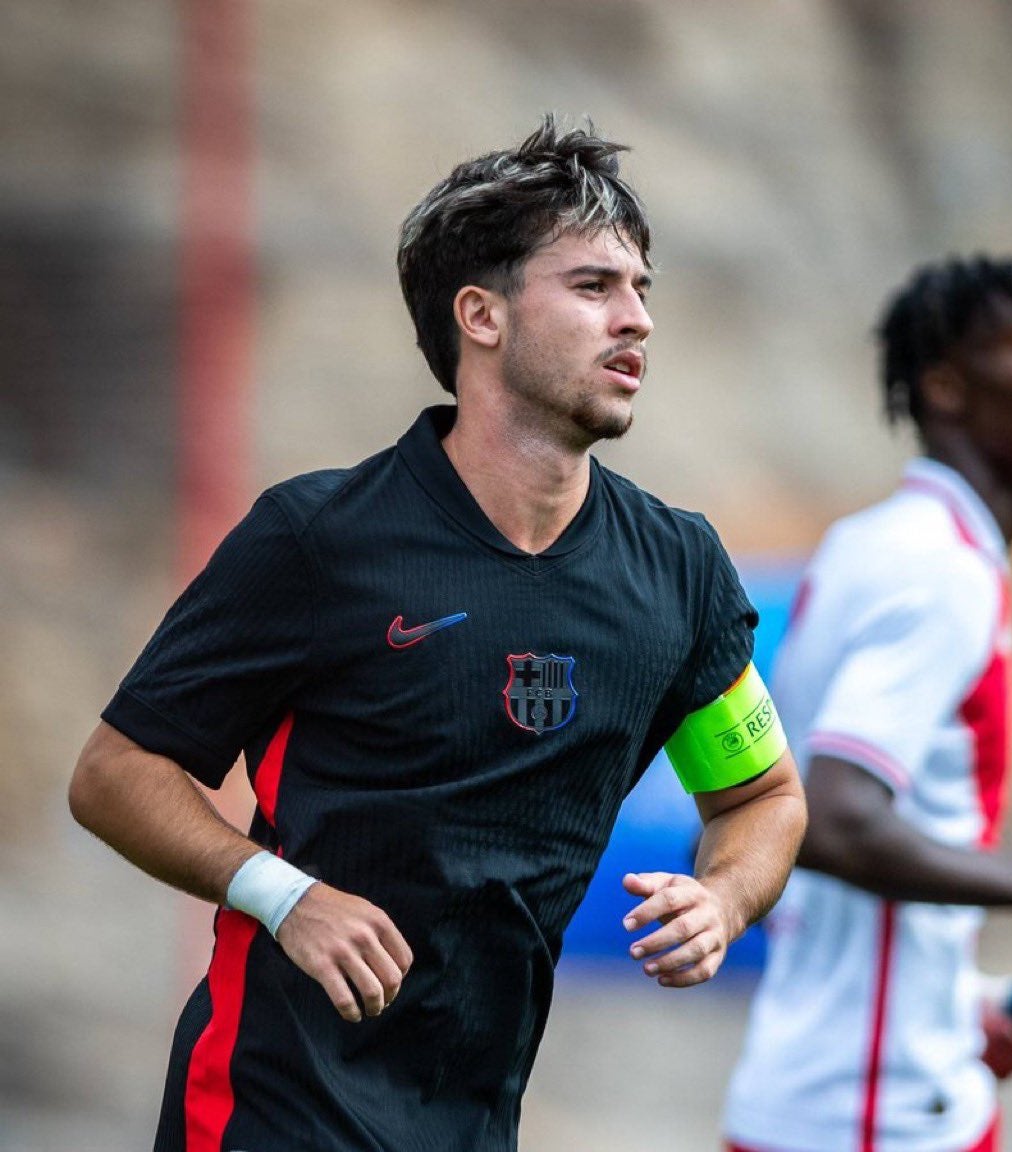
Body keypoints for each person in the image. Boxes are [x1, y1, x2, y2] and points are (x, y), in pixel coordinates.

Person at [68, 115, 807, 1152]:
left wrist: (725, 899)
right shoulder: (320, 538)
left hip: (474, 1119)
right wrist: (286, 896)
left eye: (642, 291)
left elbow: (763, 796)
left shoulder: (679, 572)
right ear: (482, 316)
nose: (634, 319)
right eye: (594, 287)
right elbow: (114, 771)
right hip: (272, 1104)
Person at [721, 255, 1012, 1152]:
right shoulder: (939, 568)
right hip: (874, 1114)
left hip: (843, 1084)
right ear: (946, 386)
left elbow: (787, 830)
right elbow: (826, 823)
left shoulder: (874, 545)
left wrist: (960, 1003)